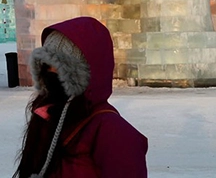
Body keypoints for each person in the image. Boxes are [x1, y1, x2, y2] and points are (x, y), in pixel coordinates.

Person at [14, 16, 148, 178]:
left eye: (62, 65)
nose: (51, 71)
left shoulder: (113, 133)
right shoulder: (48, 116)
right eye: (47, 64)